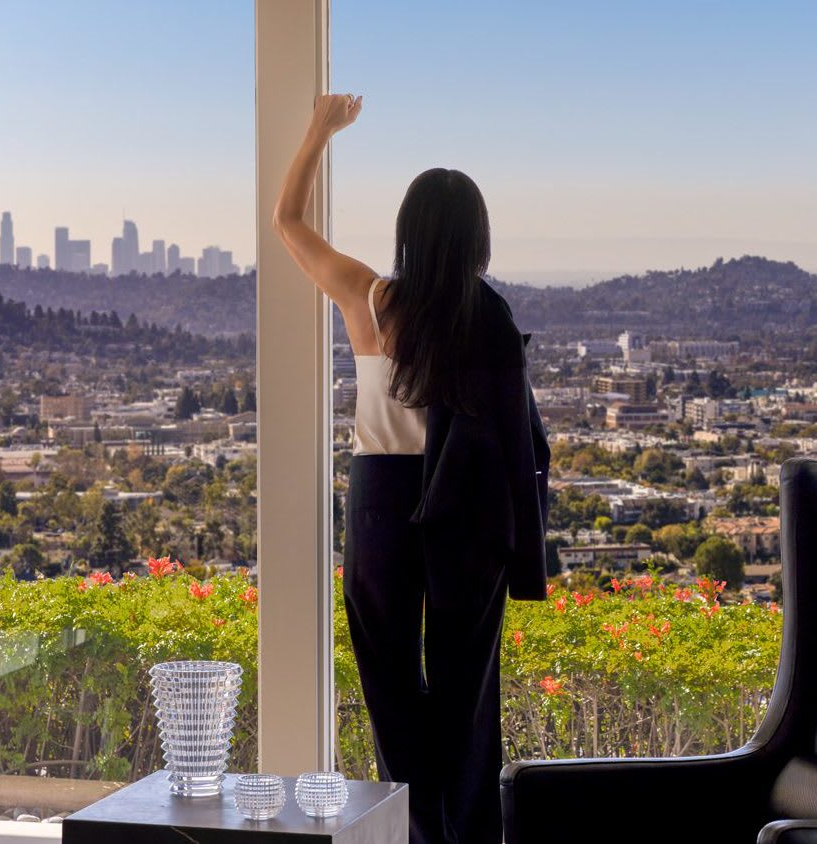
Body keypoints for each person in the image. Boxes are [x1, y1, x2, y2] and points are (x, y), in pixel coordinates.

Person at [274, 93, 550, 844]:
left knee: (390, 686)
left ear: (407, 233)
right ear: (477, 239)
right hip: (462, 511)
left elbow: (288, 224)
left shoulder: (372, 299)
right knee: (465, 694)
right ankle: (462, 834)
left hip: (380, 504)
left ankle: (414, 828)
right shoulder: (485, 320)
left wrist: (317, 132)